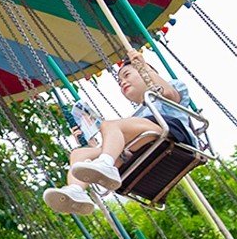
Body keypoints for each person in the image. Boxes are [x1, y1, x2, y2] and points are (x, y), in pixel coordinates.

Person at [44, 56, 195, 214]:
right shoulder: (136, 116)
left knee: (109, 126)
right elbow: (115, 143)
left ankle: (106, 163)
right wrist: (91, 142)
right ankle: (76, 191)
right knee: (79, 154)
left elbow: (170, 94)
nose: (122, 82)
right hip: (141, 144)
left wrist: (145, 67)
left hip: (171, 133)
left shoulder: (171, 87)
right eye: (119, 81)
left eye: (127, 75)